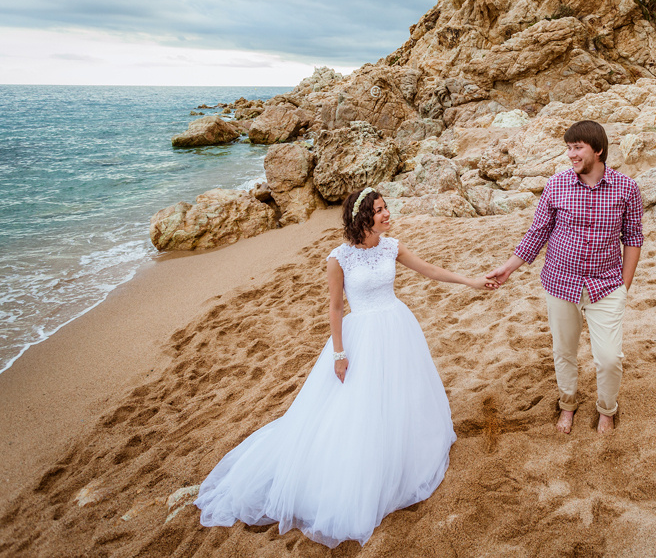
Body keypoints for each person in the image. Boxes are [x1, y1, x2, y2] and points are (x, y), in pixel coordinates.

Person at [195, 187, 496, 548]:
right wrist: (339, 353)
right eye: (380, 210)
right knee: (359, 405)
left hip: (397, 327)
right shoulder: (339, 258)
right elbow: (335, 309)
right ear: (363, 217)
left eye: (386, 207)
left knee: (401, 394)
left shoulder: (392, 246)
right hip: (362, 335)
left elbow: (430, 270)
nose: (387, 214)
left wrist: (472, 281)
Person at [487, 120, 643, 435]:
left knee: (610, 358)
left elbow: (634, 238)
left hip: (607, 285)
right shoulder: (556, 185)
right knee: (564, 352)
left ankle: (607, 410)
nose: (571, 154)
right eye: (569, 148)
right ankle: (568, 404)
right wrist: (508, 267)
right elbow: (538, 232)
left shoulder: (627, 188)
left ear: (597, 150)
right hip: (561, 282)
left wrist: (624, 287)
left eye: (577, 148)